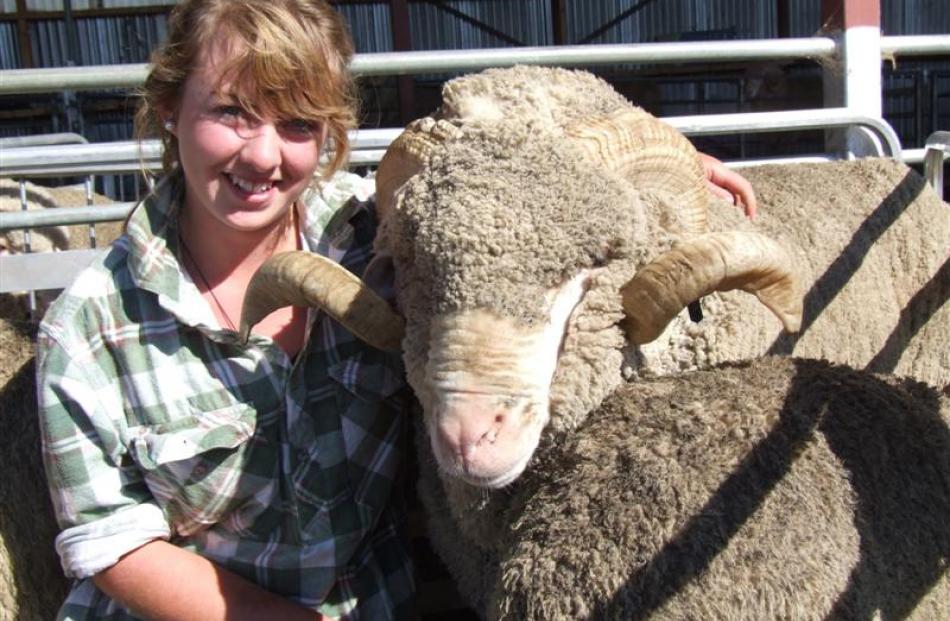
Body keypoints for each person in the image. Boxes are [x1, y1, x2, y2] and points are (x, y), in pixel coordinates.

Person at [36, 1, 759, 619]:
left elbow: (527, 200)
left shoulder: (378, 238)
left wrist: (661, 157)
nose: (263, 156)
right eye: (231, 112)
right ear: (169, 108)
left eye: (297, 125)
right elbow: (111, 543)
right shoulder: (93, 325)